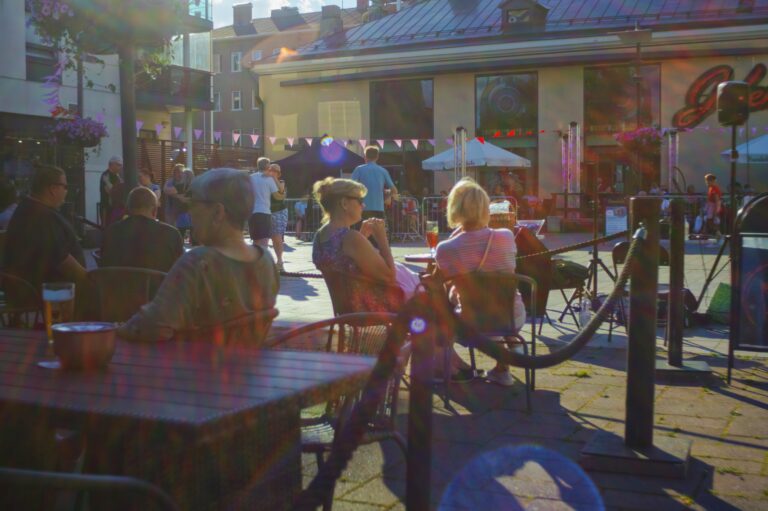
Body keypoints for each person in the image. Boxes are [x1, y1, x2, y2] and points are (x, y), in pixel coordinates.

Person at [118, 168, 279, 342]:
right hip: (248, 365)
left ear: (218, 213)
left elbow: (149, 325)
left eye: (194, 204)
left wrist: (116, 328)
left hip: (199, 365)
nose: (190, 213)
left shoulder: (197, 263)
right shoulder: (267, 260)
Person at [434, 178, 526, 387]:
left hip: (471, 323)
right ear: (487, 208)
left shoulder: (446, 249)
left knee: (438, 300)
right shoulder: (506, 236)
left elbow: (444, 283)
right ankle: (503, 367)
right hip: (512, 317)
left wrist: (458, 231)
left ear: (453, 208)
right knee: (494, 299)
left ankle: (448, 365)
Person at [312, 177, 419, 312]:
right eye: (360, 201)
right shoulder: (350, 238)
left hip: (346, 308)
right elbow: (389, 277)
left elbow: (344, 262)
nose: (363, 205)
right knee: (432, 294)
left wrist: (362, 237)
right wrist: (382, 239)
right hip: (371, 306)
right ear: (344, 203)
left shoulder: (320, 236)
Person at [3, 165, 87, 291]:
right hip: (49, 291)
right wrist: (89, 280)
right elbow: (62, 260)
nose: (66, 191)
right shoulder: (41, 216)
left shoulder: (29, 208)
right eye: (65, 186)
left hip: (31, 287)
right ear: (53, 189)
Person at [101, 186, 183, 273]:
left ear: (128, 209)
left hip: (118, 285)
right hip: (160, 286)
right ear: (155, 210)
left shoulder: (111, 231)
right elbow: (180, 270)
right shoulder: (171, 234)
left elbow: (104, 264)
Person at [351, 146, 398, 224]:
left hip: (362, 208)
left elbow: (350, 186)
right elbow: (394, 190)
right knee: (378, 235)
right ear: (377, 157)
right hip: (379, 209)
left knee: (363, 234)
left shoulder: (359, 169)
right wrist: (386, 195)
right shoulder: (383, 171)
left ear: (365, 156)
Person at [249, 157, 283, 247]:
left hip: (252, 212)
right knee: (264, 240)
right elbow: (277, 197)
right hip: (264, 212)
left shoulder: (250, 178)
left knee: (255, 240)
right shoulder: (269, 179)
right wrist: (283, 194)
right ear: (268, 166)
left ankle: (255, 260)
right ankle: (263, 259)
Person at [164, 164, 194, 241]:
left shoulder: (182, 185)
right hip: (184, 213)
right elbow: (166, 191)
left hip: (184, 214)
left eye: (182, 173)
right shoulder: (194, 185)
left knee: (180, 234)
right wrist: (179, 196)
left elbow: (167, 190)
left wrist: (178, 196)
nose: (181, 175)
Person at [268, 163, 288, 271]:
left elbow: (281, 190)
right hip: (267, 212)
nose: (273, 172)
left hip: (279, 211)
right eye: (271, 170)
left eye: (275, 171)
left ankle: (280, 261)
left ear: (278, 173)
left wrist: (274, 178)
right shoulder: (265, 182)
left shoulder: (281, 182)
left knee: (277, 237)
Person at [100, 156, 123, 226]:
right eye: (118, 165)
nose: (120, 167)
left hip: (117, 208)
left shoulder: (118, 176)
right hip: (107, 208)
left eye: (121, 165)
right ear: (112, 164)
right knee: (107, 228)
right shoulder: (106, 175)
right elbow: (111, 191)